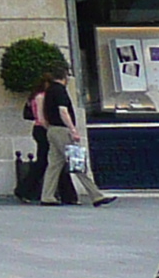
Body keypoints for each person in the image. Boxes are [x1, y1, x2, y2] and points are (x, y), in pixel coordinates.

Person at [28, 67, 112, 207]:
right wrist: (73, 129)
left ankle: (47, 196)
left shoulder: (48, 92)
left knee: (54, 165)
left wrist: (50, 127)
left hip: (52, 130)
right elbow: (63, 111)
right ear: (64, 77)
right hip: (62, 130)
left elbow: (43, 116)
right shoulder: (60, 90)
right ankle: (96, 196)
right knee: (77, 161)